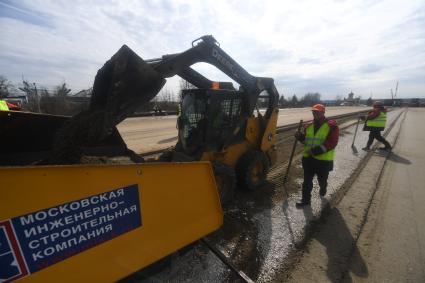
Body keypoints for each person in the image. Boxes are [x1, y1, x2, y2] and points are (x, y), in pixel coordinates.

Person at [294, 104, 339, 208]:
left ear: (323, 112)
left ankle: (323, 188)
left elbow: (332, 143)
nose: (315, 113)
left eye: (317, 112)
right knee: (307, 181)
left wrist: (315, 151)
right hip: (308, 159)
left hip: (323, 161)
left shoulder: (331, 126)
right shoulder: (308, 125)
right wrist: (300, 137)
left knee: (322, 180)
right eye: (314, 112)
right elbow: (306, 141)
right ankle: (305, 201)